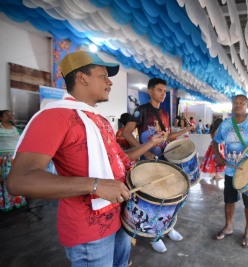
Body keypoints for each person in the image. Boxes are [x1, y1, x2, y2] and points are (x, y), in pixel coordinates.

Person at [6, 51, 166, 267]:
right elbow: (19, 180)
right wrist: (96, 185)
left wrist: (150, 144)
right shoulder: (53, 117)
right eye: (103, 76)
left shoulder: (98, 120)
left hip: (121, 218)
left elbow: (118, 159)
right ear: (82, 78)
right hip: (90, 232)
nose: (109, 83)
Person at [122, 77, 195, 253]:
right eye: (159, 90)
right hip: (147, 163)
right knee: (152, 199)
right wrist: (143, 150)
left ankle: (167, 226)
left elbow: (166, 137)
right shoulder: (141, 110)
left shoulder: (164, 113)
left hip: (163, 160)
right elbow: (126, 132)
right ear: (150, 91)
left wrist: (185, 130)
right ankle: (154, 235)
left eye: (164, 91)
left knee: (168, 196)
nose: (162, 94)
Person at [211, 94, 248, 248]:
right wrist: (218, 156)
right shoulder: (225, 124)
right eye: (235, 102)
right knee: (229, 201)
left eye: (242, 103)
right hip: (231, 171)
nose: (238, 105)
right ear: (232, 104)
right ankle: (229, 226)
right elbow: (215, 141)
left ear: (247, 105)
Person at [0, 110, 26, 211]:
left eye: (12, 115)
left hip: (15, 159)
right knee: (7, 181)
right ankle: (7, 203)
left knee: (17, 180)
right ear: (1, 117)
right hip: (4, 159)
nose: (11, 116)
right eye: (8, 115)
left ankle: (18, 201)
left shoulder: (16, 129)